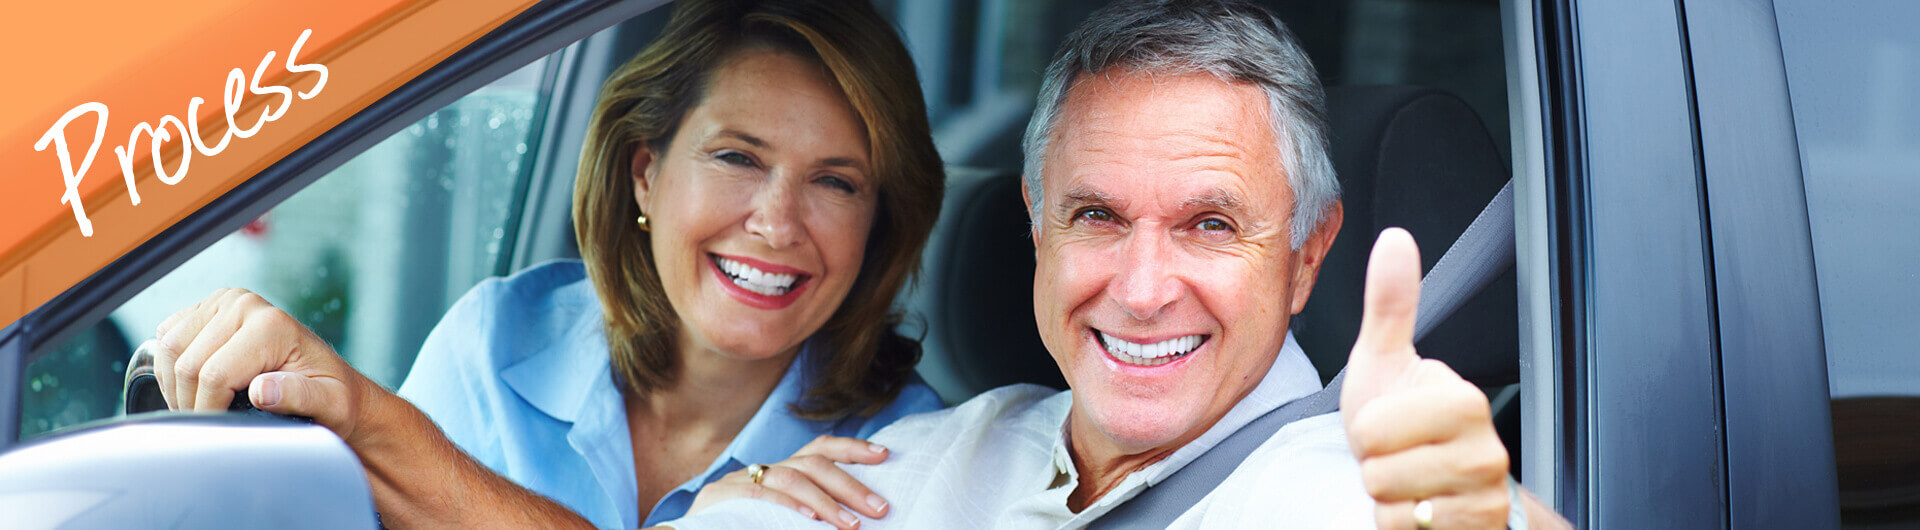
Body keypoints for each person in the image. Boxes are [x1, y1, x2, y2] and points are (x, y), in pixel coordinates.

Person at [657, 1, 1572, 528]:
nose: (1139, 292)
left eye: (1211, 225)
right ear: (1037, 225)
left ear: (1307, 258)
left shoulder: (1366, 494)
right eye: (1096, 215)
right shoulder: (907, 462)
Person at [145, 0, 948, 528]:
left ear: (878, 223)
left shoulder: (916, 453)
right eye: (738, 157)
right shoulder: (497, 341)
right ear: (645, 173)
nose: (776, 223)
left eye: (836, 182)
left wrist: (372, 421)